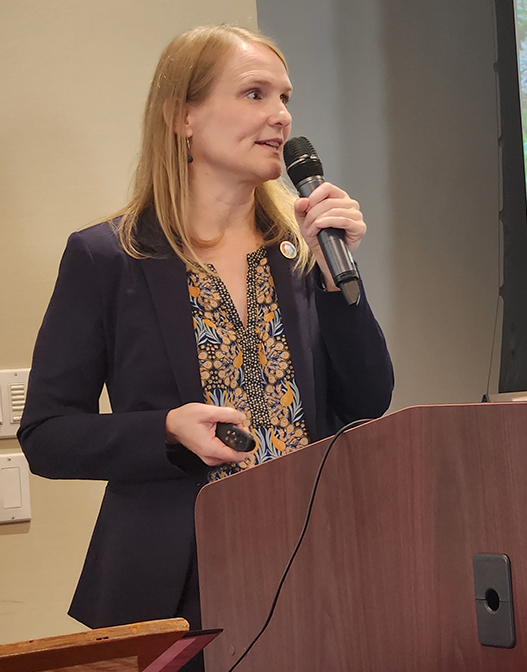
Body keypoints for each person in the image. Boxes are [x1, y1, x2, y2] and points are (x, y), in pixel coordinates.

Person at [17, 24, 394, 671]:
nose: (280, 117)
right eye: (254, 94)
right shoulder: (109, 258)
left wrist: (338, 284)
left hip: (313, 568)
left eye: (285, 98)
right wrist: (163, 431)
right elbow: (47, 435)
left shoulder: (303, 254)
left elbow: (367, 401)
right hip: (175, 588)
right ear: (182, 116)